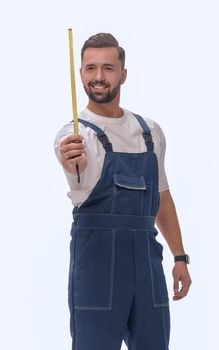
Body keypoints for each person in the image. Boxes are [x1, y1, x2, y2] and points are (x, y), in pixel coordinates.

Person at [54, 33, 192, 350]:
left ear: (123, 74)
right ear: (80, 74)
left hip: (147, 261)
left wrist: (180, 257)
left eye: (108, 68)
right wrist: (68, 156)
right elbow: (69, 158)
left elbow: (162, 197)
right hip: (97, 266)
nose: (98, 77)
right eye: (90, 68)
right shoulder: (74, 135)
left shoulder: (150, 131)